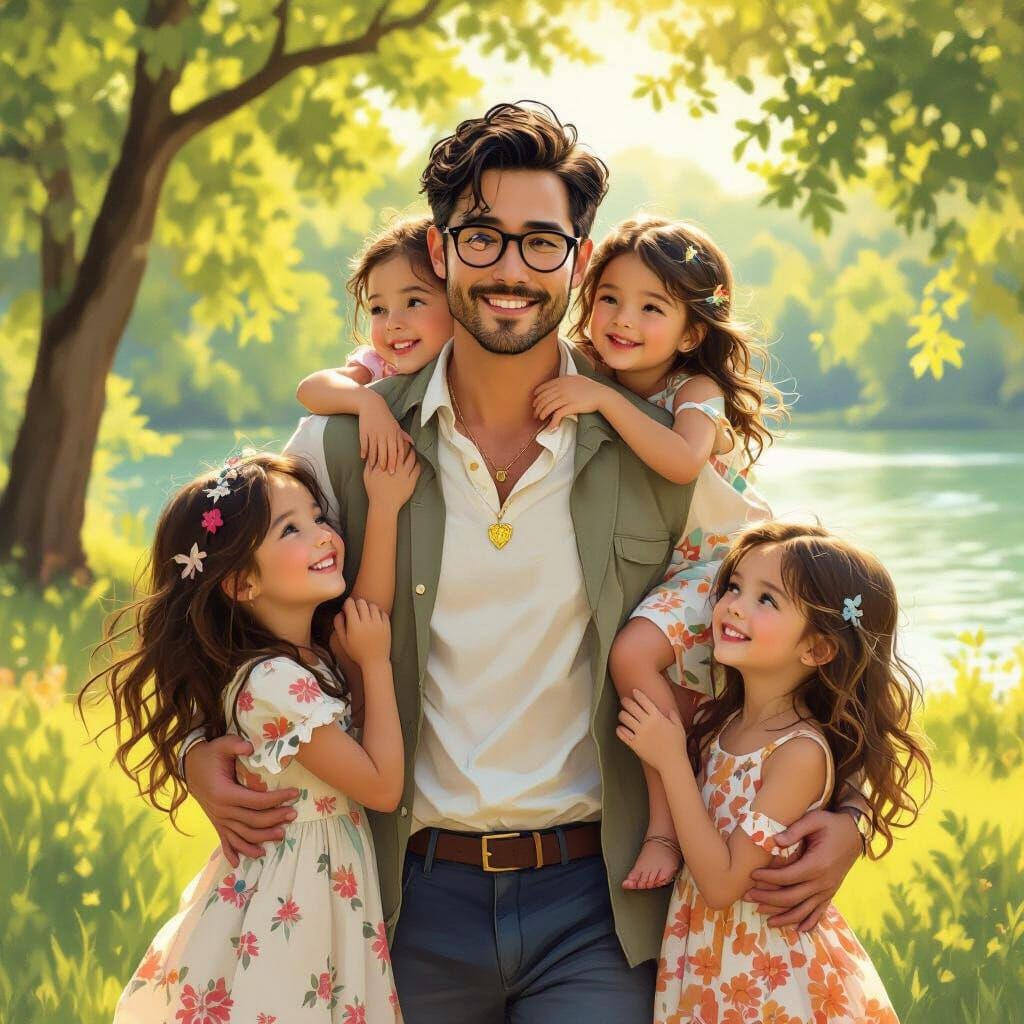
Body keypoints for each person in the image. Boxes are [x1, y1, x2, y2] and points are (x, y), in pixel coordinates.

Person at [181, 103, 867, 1024]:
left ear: (578, 260)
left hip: (599, 903)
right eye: (484, 238)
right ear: (441, 249)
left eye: (543, 243)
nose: (512, 268)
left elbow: (797, 617)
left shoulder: (656, 441)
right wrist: (193, 748)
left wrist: (850, 805)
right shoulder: (340, 444)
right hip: (400, 899)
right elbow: (230, 605)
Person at [80, 451, 419, 1021]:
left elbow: (367, 612)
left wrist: (383, 510)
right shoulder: (272, 682)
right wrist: (377, 665)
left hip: (320, 889)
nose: (323, 536)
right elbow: (382, 787)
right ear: (240, 582)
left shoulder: (303, 660)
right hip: (295, 902)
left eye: (317, 516)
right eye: (291, 529)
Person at [532, 215, 784, 889]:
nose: (623, 319)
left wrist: (600, 401)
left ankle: (666, 830)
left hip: (726, 568)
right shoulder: (595, 370)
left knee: (632, 655)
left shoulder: (693, 393)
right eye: (609, 297)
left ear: (693, 332)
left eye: (652, 307)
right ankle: (701, 826)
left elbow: (679, 461)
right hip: (665, 570)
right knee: (687, 705)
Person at [616, 521, 932, 1023]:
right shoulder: (719, 722)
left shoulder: (799, 753)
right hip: (712, 966)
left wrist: (672, 760)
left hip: (769, 978)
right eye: (735, 587)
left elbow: (721, 886)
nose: (733, 605)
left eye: (767, 600)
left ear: (818, 649)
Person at [296, 215, 454, 471]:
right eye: (378, 309)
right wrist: (368, 403)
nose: (392, 323)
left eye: (413, 302)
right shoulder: (377, 366)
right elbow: (309, 389)